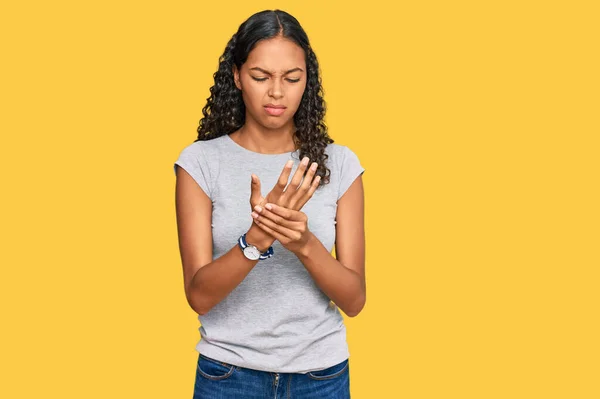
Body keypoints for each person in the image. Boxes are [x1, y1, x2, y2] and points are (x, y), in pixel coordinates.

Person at [173, 9, 365, 399]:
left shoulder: (340, 164)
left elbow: (354, 299)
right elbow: (199, 296)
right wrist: (257, 238)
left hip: (321, 378)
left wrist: (304, 244)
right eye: (261, 77)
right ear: (237, 76)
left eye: (291, 78)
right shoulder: (200, 163)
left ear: (306, 81)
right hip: (228, 376)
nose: (277, 92)